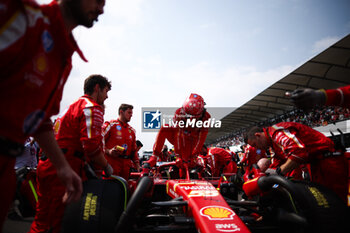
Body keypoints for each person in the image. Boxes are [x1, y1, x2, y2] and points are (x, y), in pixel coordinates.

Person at [0, 0, 106, 229]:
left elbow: (39, 118)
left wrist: (63, 168)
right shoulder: (21, 15)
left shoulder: (64, 54)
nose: (101, 9)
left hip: (8, 163)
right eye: (98, 0)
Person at [29, 74, 113, 233]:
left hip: (50, 165)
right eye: (106, 91)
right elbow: (91, 146)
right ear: (97, 88)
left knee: (42, 221)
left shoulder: (72, 106)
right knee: (56, 223)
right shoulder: (91, 107)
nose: (107, 96)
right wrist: (107, 166)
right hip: (64, 168)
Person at [244, 122, 348, 203]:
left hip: (330, 161)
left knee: (335, 199)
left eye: (255, 145)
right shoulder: (274, 144)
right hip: (317, 164)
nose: (257, 148)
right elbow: (277, 162)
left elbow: (299, 153)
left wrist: (279, 172)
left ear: (258, 135)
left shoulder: (277, 133)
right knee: (323, 199)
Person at [146, 93, 211, 178]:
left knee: (187, 162)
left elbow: (201, 138)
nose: (189, 118)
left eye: (192, 116)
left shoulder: (206, 118)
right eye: (187, 115)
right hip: (180, 138)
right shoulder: (178, 113)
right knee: (165, 127)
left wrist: (194, 155)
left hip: (193, 140)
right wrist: (178, 156)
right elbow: (178, 135)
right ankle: (154, 156)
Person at [103, 104, 140, 180]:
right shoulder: (111, 125)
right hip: (112, 164)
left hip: (126, 167)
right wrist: (109, 151)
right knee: (110, 189)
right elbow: (97, 142)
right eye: (129, 112)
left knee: (124, 190)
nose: (131, 115)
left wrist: (138, 166)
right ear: (121, 112)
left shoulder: (132, 131)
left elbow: (134, 151)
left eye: (132, 113)